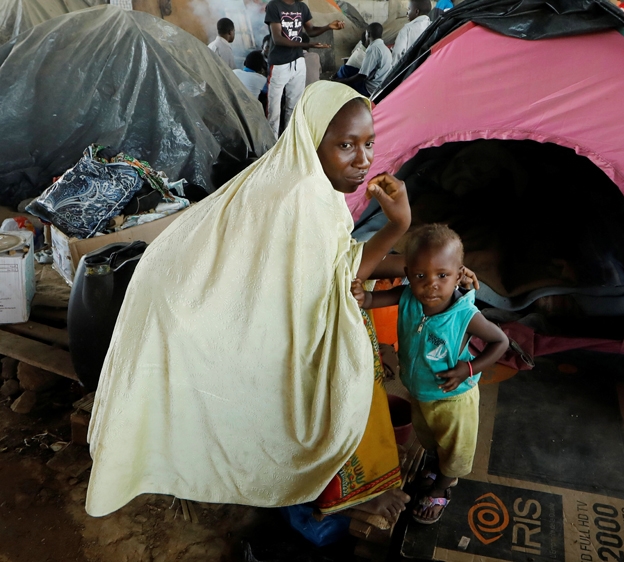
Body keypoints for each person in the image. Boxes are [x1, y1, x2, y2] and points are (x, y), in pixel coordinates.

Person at [84, 82, 483, 524]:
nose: (364, 160)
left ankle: (353, 476)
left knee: (351, 344)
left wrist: (433, 271)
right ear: (312, 139)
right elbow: (344, 276)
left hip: (201, 299)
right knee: (338, 374)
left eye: (369, 143)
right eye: (346, 146)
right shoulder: (300, 198)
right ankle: (344, 489)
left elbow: (339, 262)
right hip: (196, 312)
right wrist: (399, 225)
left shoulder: (302, 177)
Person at [352, 224, 510, 525]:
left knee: (455, 450)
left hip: (454, 401)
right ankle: (437, 467)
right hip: (419, 392)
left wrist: (469, 368)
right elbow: (372, 301)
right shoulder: (409, 296)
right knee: (430, 439)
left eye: (442, 275)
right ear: (408, 273)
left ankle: (443, 487)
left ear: (459, 273)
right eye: (421, 276)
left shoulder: (464, 315)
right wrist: (361, 294)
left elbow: (500, 342)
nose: (431, 285)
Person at [264, 0, 345, 137]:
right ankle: (271, 145)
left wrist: (328, 27)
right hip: (279, 64)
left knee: (293, 106)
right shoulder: (274, 6)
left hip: (298, 63)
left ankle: (289, 140)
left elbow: (311, 30)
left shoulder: (302, 7)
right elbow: (277, 38)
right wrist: (308, 44)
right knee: (274, 110)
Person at [334, 23, 392, 97]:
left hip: (370, 88)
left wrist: (343, 81)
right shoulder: (385, 48)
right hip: (380, 84)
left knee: (343, 72)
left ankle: (340, 94)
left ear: (368, 34)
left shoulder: (373, 49)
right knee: (346, 69)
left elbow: (362, 76)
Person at [392, 0, 432, 67]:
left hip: (410, 71)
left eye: (409, 9)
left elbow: (397, 53)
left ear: (416, 12)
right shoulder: (433, 26)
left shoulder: (407, 29)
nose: (407, 13)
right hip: (428, 69)